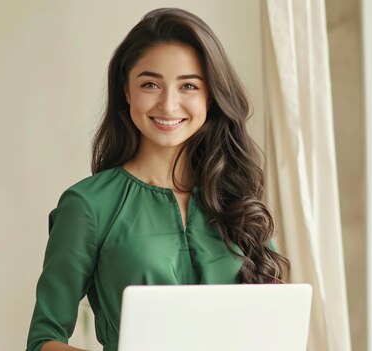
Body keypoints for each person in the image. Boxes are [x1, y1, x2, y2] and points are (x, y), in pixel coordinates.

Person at [25, 7, 291, 351]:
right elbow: (43, 341)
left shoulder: (239, 200)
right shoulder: (88, 206)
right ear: (126, 91)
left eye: (189, 86)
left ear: (210, 96)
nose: (168, 104)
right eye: (150, 84)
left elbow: (276, 324)